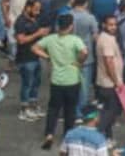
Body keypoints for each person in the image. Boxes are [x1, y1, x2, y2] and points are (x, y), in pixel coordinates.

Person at [32, 13, 88, 150]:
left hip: (56, 80)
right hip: (72, 80)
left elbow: (34, 48)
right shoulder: (75, 40)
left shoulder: (50, 39)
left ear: (58, 25)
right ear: (71, 26)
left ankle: (49, 134)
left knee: (53, 109)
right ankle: (67, 136)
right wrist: (79, 61)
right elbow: (84, 52)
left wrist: (47, 57)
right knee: (70, 110)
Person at [14, 0, 49, 121]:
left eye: (39, 9)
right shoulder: (20, 21)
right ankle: (24, 109)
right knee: (27, 83)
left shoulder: (35, 19)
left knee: (36, 83)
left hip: (36, 56)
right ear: (28, 7)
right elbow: (21, 40)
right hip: (25, 58)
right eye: (35, 9)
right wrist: (38, 33)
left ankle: (33, 105)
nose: (37, 12)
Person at [69, 0, 98, 118]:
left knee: (72, 84)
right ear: (86, 3)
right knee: (85, 87)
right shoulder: (90, 18)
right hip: (87, 55)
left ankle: (72, 110)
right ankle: (81, 111)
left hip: (71, 54)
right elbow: (95, 36)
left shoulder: (68, 16)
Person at [95, 14, 123, 144]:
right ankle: (98, 134)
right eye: (110, 25)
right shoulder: (107, 40)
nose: (113, 27)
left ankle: (108, 137)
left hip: (104, 81)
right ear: (104, 25)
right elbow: (109, 61)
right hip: (109, 83)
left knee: (107, 110)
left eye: (115, 24)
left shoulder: (105, 37)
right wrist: (116, 81)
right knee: (111, 112)